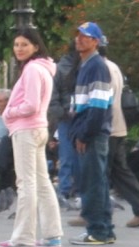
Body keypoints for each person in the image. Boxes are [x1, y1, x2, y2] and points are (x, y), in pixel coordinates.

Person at [0, 27, 61, 247]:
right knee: (42, 182)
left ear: (36, 46)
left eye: (24, 44)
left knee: (26, 184)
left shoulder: (33, 70)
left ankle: (24, 237)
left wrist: (9, 111)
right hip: (38, 129)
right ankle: (53, 235)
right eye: (16, 45)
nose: (19, 49)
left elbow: (32, 104)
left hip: (26, 130)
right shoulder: (42, 68)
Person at [68, 22, 114, 245]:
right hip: (92, 133)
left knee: (92, 184)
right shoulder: (87, 65)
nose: (79, 39)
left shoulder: (95, 66)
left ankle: (97, 230)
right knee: (98, 182)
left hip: (92, 135)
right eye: (78, 35)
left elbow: (97, 107)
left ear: (96, 41)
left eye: (85, 36)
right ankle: (105, 229)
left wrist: (84, 134)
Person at [104, 51, 139, 227]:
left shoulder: (98, 68)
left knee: (98, 171)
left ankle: (94, 214)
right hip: (118, 126)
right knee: (120, 171)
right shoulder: (113, 67)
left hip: (106, 127)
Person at [53, 42, 80, 201]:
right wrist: (61, 112)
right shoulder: (62, 68)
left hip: (68, 115)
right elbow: (53, 93)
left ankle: (66, 189)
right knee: (69, 154)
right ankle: (69, 188)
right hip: (70, 116)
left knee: (68, 154)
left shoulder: (60, 66)